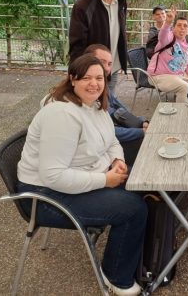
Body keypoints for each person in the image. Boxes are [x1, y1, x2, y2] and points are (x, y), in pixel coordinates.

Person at [16, 54, 147, 295]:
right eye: (86, 78)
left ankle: (137, 256)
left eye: (99, 78)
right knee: (134, 208)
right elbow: (53, 176)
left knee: (144, 188)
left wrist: (117, 159)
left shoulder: (95, 106)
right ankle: (115, 276)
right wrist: (104, 180)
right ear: (72, 80)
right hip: (44, 197)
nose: (94, 83)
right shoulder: (62, 114)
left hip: (75, 180)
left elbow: (111, 141)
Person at [69, 0, 128, 93]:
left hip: (112, 67)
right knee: (91, 107)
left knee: (108, 106)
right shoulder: (83, 6)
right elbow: (77, 46)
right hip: (92, 73)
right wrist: (79, 75)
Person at [85, 44, 148, 165]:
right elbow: (107, 132)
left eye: (109, 64)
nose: (107, 68)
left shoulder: (102, 88)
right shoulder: (87, 95)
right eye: (102, 62)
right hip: (97, 158)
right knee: (148, 150)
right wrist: (140, 131)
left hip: (112, 143)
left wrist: (141, 122)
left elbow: (121, 110)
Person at [147, 7, 188, 103]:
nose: (182, 28)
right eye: (179, 25)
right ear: (173, 28)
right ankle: (181, 115)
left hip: (176, 76)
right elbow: (162, 35)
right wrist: (168, 22)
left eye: (185, 26)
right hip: (158, 76)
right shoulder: (169, 38)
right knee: (184, 87)